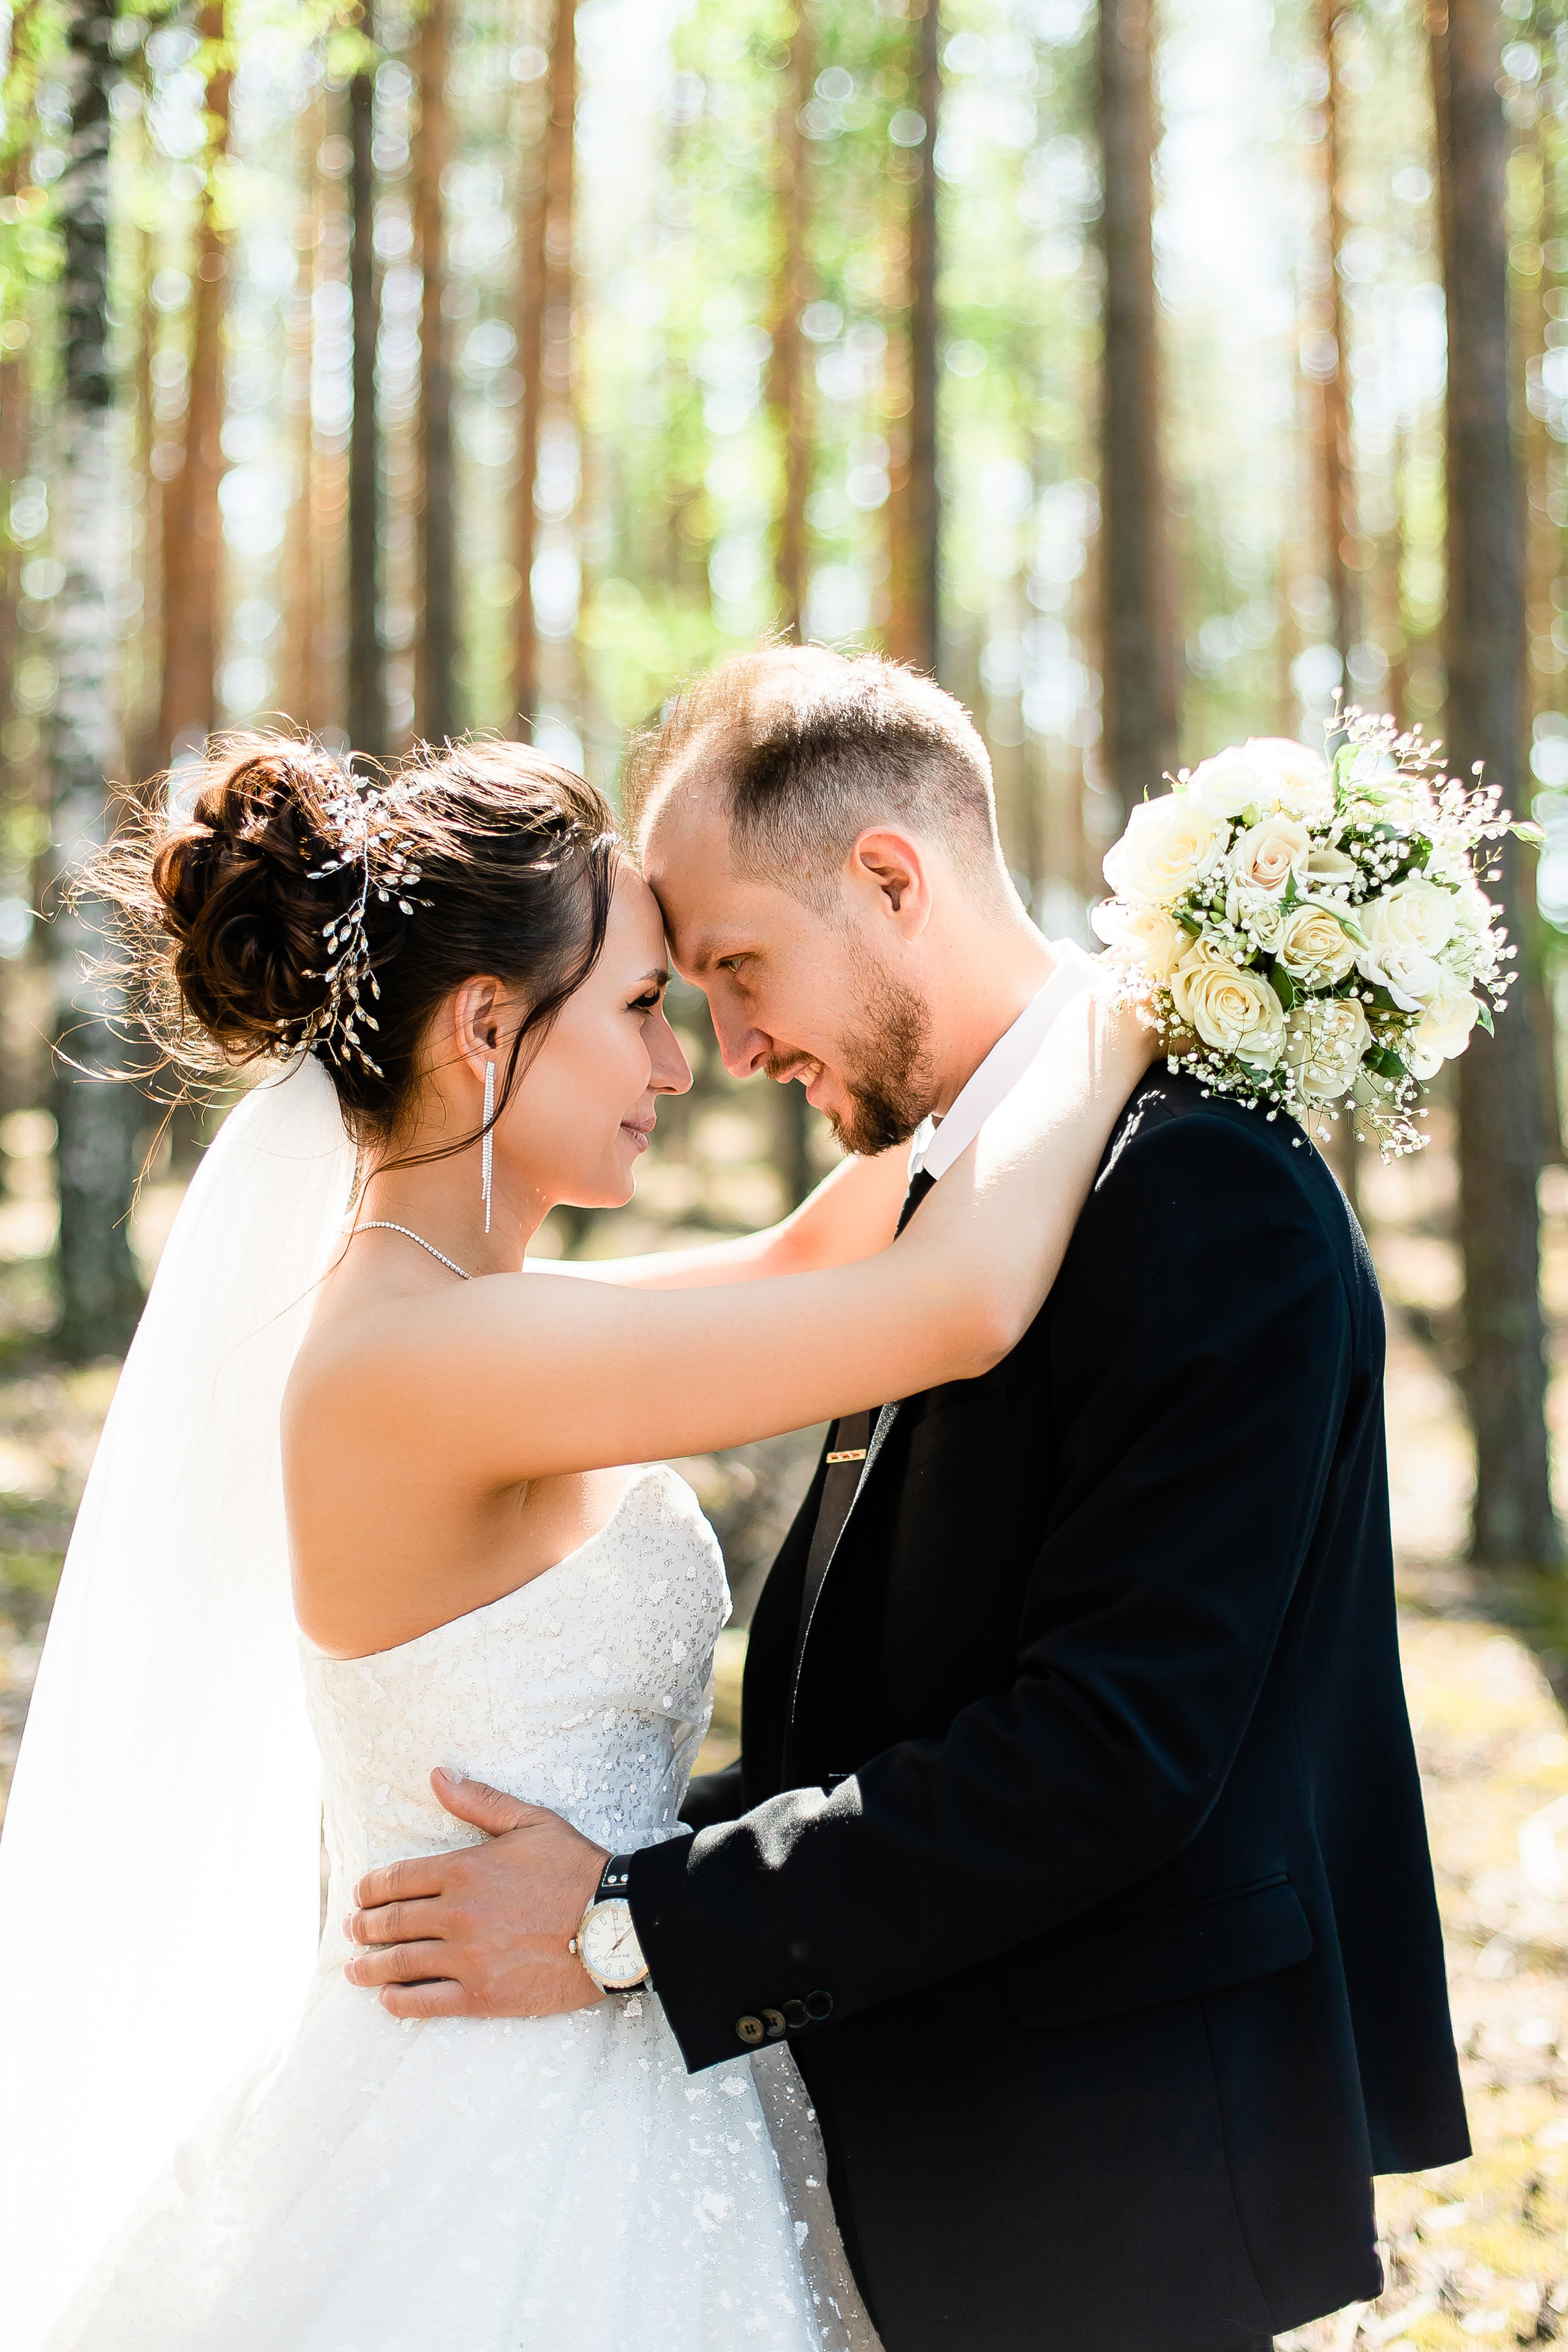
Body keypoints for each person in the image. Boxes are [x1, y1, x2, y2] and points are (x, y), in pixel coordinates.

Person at [346, 649, 1471, 2352]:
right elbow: (893, 1698)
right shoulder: (965, 1204)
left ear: (888, 879)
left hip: (1114, 2175)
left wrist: (629, 1918)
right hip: (937, 2139)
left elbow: (1114, 1754)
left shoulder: (1196, 1197)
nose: (727, 1047)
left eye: (734, 967)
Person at [0, 727, 1153, 2352]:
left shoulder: (472, 1320)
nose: (681, 1066)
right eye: (636, 1011)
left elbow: (819, 1246)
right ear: (487, 1027)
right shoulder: (410, 1362)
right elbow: (946, 1304)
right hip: (487, 2128)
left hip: (623, 2053)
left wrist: (994, 1007)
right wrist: (1141, 986)